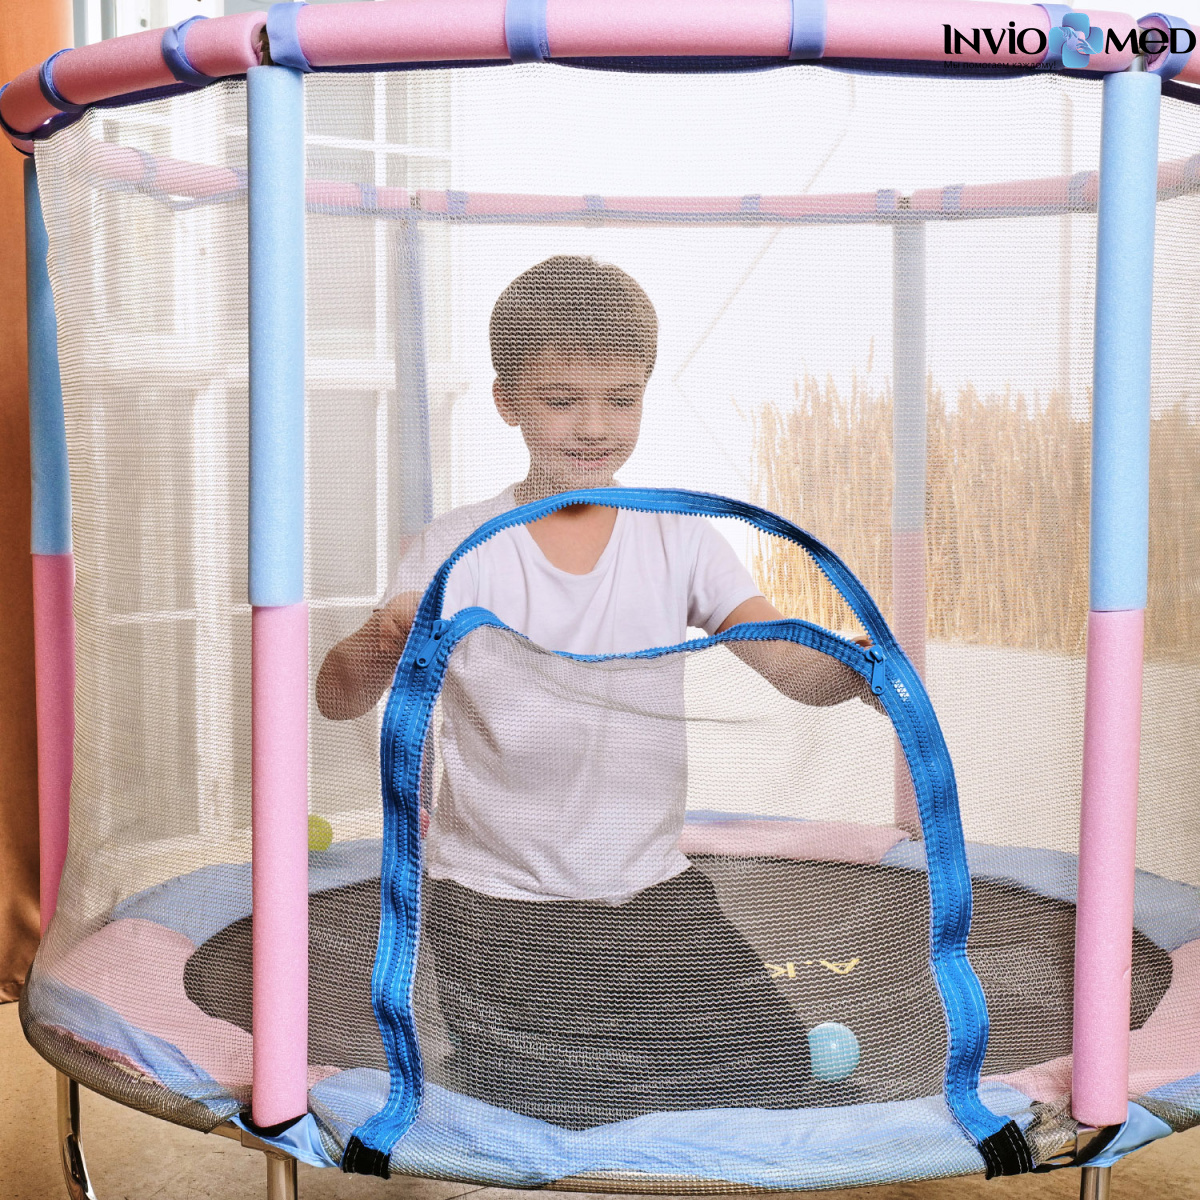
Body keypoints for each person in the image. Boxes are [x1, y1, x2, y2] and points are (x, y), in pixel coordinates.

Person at [317, 255, 874, 1128]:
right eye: (562, 400)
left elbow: (785, 662)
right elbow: (337, 697)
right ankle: (515, 1055)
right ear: (507, 401)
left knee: (771, 1071)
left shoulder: (680, 537)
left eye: (622, 399)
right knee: (560, 1102)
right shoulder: (457, 546)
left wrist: (855, 669)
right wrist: (386, 634)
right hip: (496, 903)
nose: (594, 426)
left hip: (650, 890)